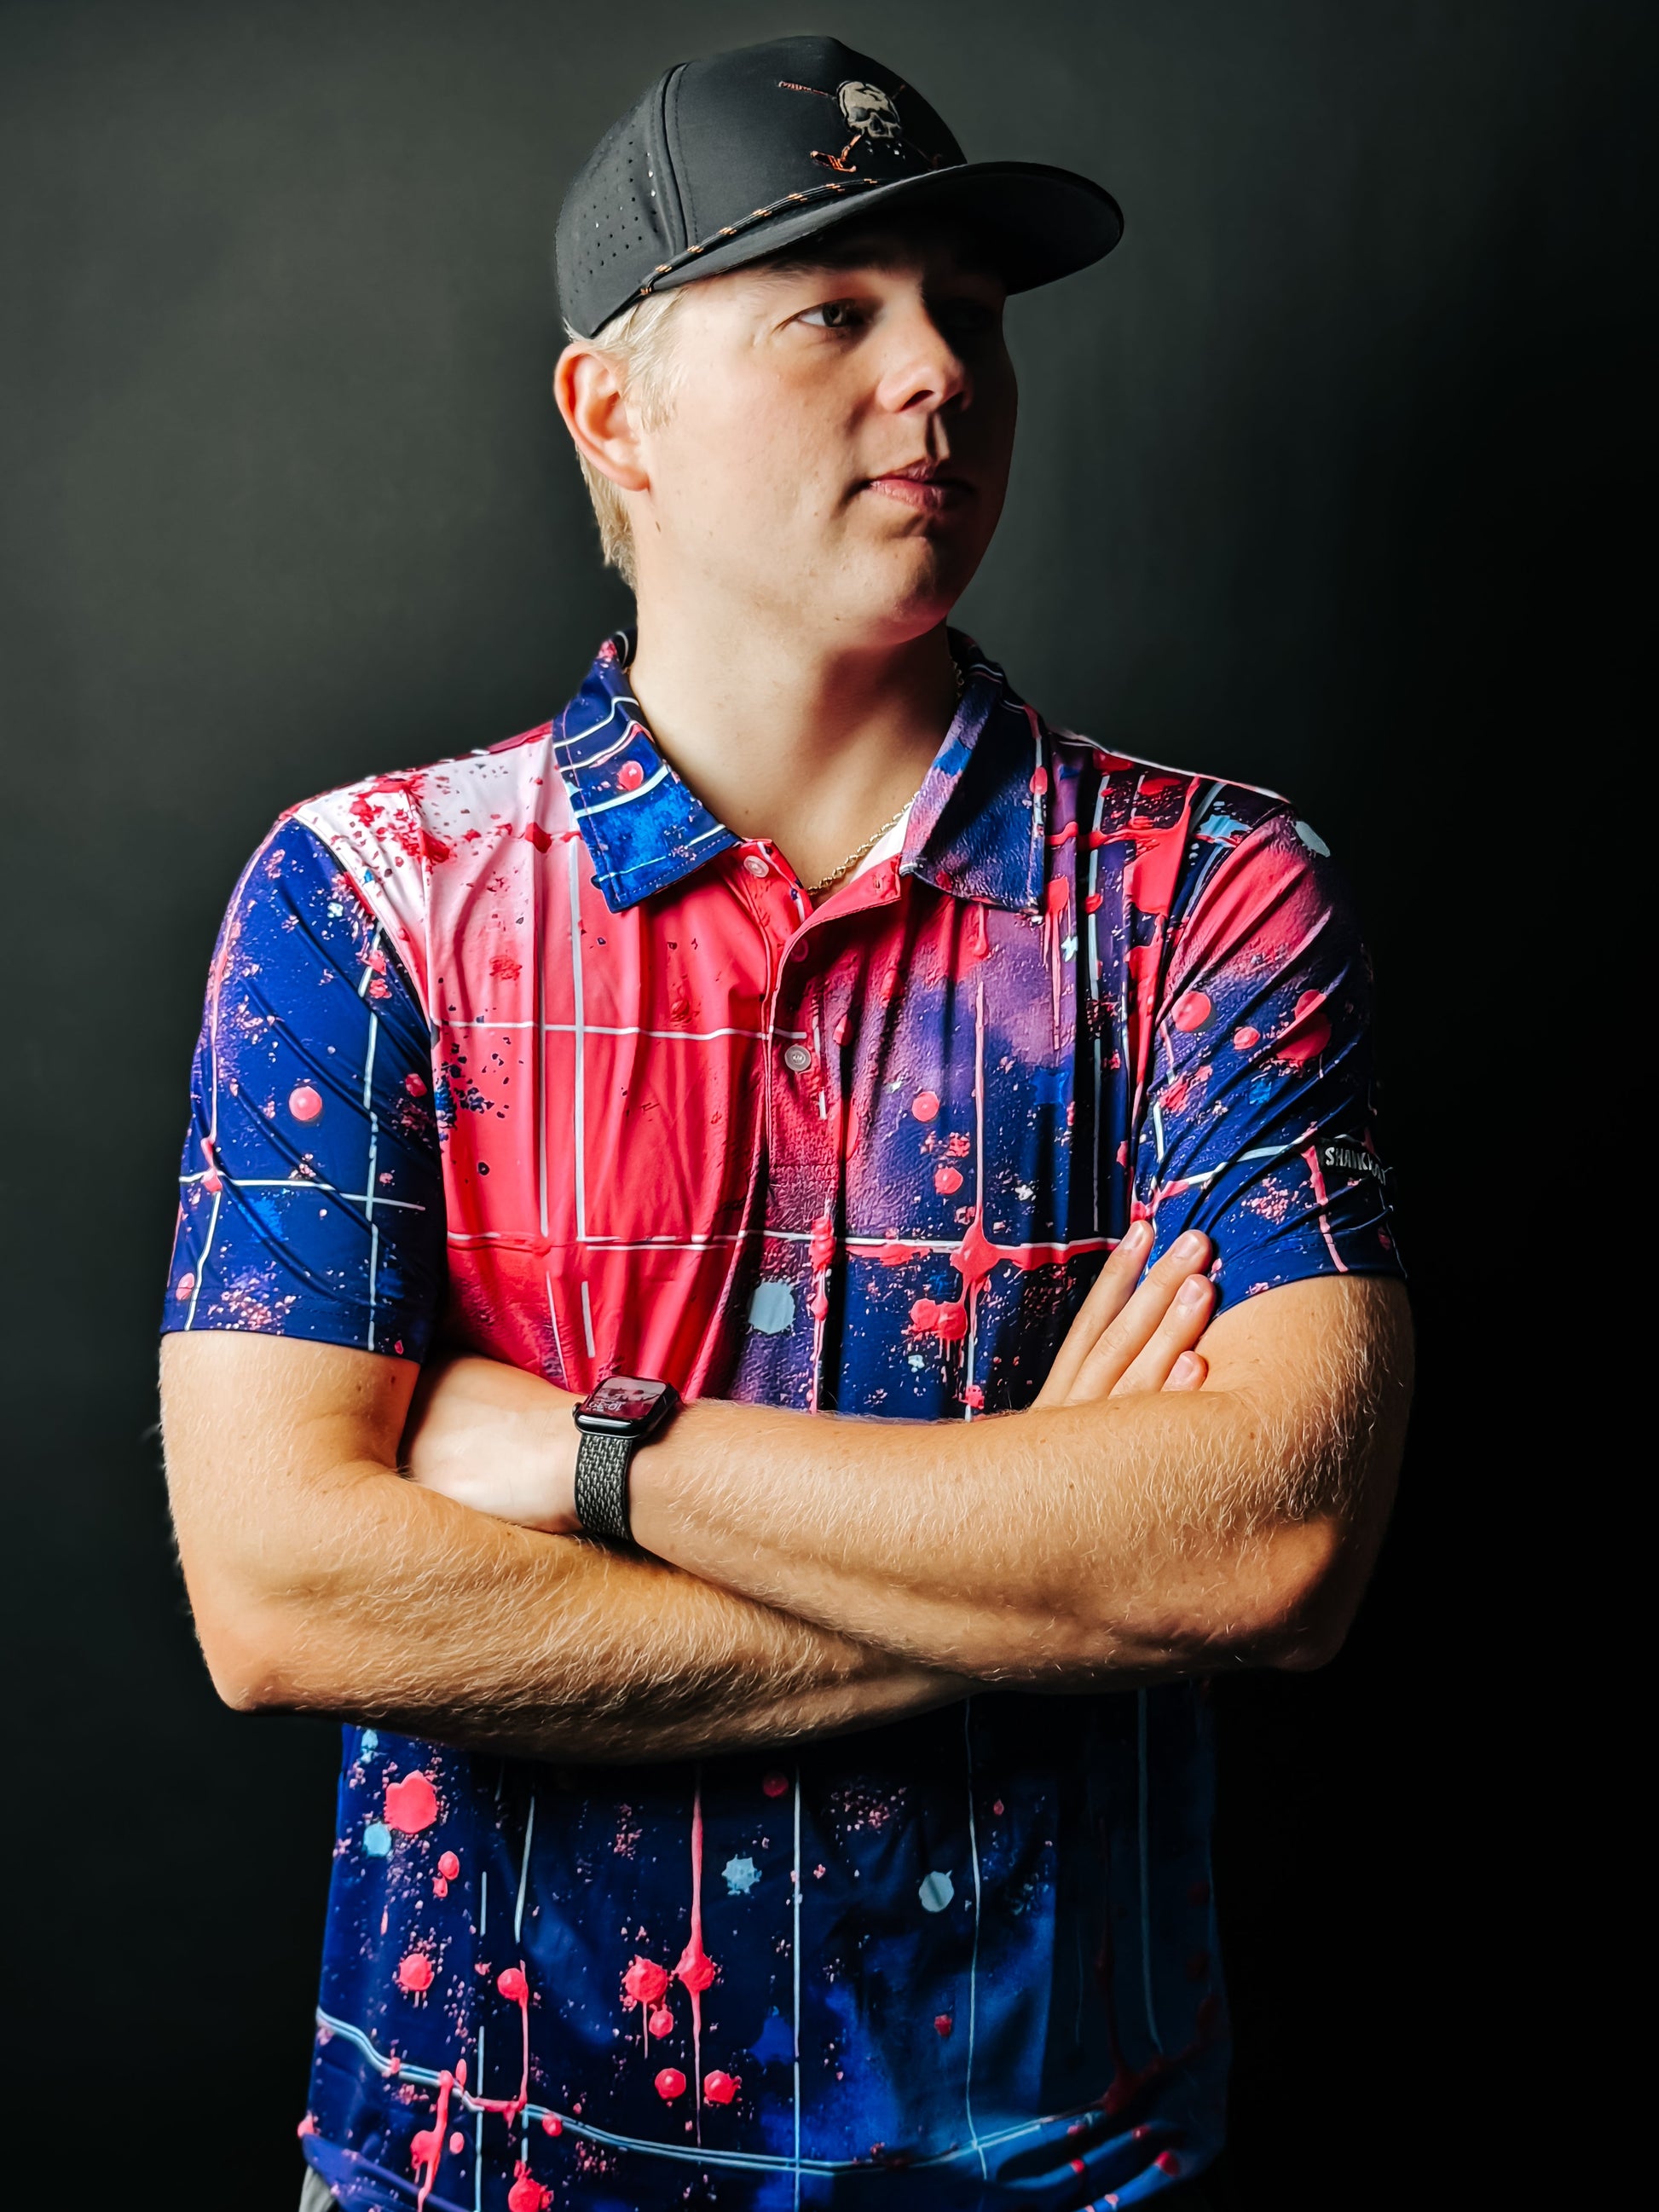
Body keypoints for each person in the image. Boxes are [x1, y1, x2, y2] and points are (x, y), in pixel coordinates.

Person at [159, 34, 1410, 2212]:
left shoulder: (1207, 894)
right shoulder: (370, 900)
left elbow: (1267, 1546)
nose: (939, 375)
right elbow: (280, 1591)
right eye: (833, 309)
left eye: (969, 313)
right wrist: (1048, 1563)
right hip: (484, 2163)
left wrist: (595, 1460)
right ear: (612, 415)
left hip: (1059, 2169)